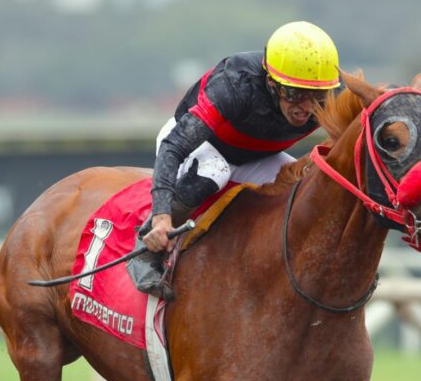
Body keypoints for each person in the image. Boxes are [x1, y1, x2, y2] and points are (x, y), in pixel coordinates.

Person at [128, 21, 341, 298]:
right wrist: (161, 216)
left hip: (256, 155)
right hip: (198, 145)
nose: (305, 107)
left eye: (316, 96)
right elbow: (173, 147)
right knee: (215, 170)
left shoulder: (335, 94)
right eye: (294, 93)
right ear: (270, 83)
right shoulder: (235, 87)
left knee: (308, 181)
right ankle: (144, 253)